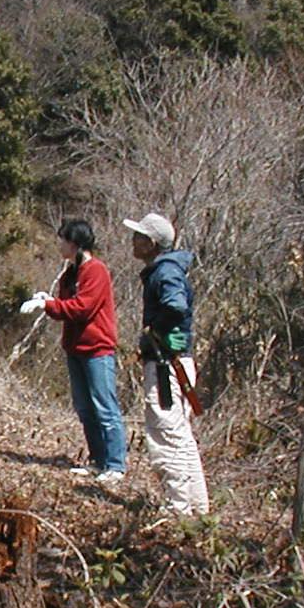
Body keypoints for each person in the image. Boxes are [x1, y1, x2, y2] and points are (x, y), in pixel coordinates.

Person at [20, 219, 128, 484]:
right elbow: (64, 309)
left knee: (105, 407)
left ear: (75, 243)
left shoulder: (96, 271)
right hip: (75, 348)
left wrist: (49, 305)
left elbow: (82, 308)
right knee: (85, 408)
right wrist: (49, 301)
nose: (59, 244)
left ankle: (115, 464)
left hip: (97, 349)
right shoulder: (70, 273)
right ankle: (97, 461)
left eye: (63, 240)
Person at [126, 211, 209, 515]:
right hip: (174, 363)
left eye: (138, 236)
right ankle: (196, 505)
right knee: (180, 434)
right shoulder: (166, 270)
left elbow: (175, 305)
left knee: (166, 433)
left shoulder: (165, 273)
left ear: (151, 243)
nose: (133, 241)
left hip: (166, 365)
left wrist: (154, 331)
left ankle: (178, 507)